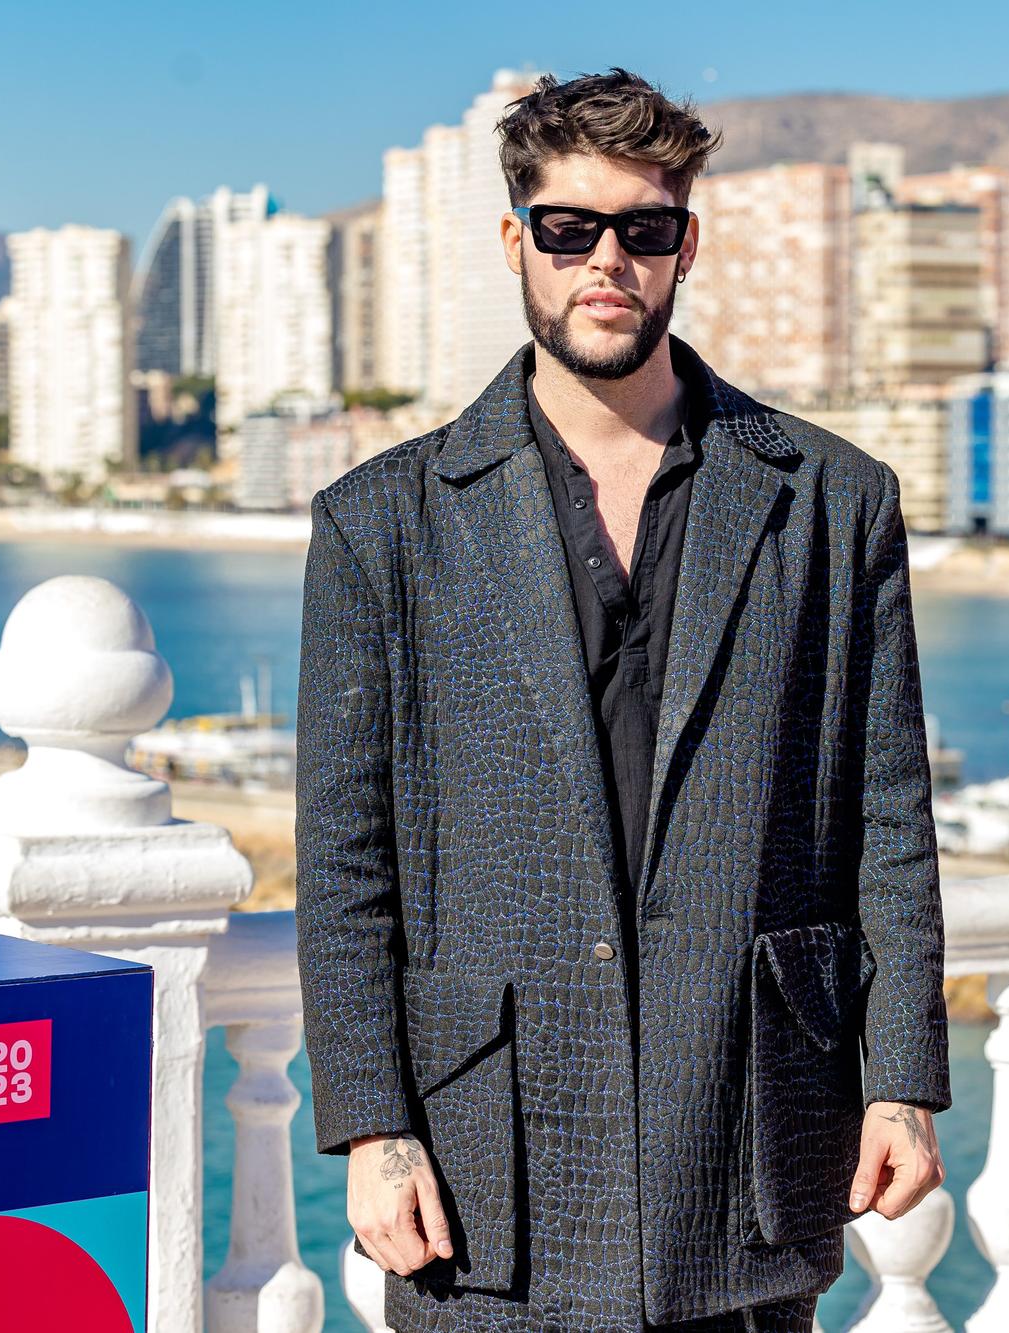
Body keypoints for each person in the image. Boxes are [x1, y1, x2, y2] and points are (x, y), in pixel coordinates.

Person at [295, 67, 948, 1333]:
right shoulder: (380, 524)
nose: (608, 261)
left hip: (753, 1143)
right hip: (487, 1175)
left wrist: (901, 1076)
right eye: (569, 229)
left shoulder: (831, 500)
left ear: (684, 244)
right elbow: (344, 864)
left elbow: (890, 820)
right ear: (515, 242)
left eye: (643, 231)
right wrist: (372, 1126)